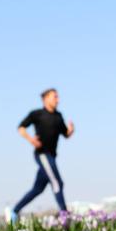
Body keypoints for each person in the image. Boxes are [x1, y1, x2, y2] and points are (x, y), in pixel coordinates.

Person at [7, 88, 75, 222]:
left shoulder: (58, 116)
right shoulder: (36, 114)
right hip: (42, 154)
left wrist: (71, 131)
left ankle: (14, 211)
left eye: (58, 97)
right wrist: (31, 140)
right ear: (46, 99)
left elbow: (65, 134)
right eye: (55, 97)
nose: (58, 100)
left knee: (37, 189)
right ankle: (64, 216)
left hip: (52, 156)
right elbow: (21, 127)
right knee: (57, 182)